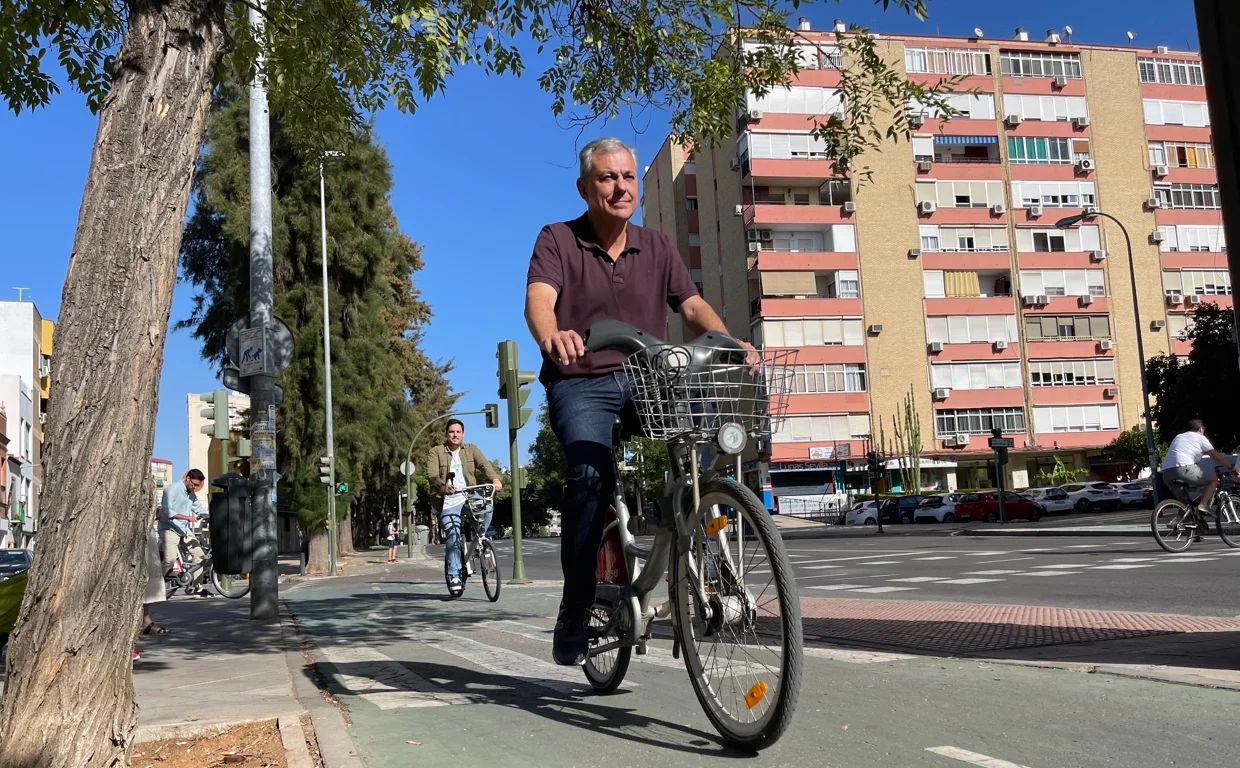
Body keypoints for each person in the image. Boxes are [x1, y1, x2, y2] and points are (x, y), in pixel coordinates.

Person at [524, 137, 740, 666]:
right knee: (588, 478)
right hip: (584, 380)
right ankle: (575, 605)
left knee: (703, 435)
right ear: (585, 187)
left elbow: (690, 306)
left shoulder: (658, 246)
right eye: (607, 177)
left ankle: (702, 530)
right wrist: (552, 336)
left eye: (627, 177)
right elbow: (539, 300)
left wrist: (729, 341)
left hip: (650, 377)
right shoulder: (558, 238)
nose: (621, 187)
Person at [426, 420, 503, 595]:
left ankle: (480, 538)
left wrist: (495, 479)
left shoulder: (472, 450)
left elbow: (485, 465)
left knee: (487, 508)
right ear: (446, 434)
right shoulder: (436, 452)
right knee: (453, 537)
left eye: (458, 431)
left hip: (470, 495)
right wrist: (443, 486)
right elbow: (432, 475)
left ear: (463, 433)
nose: (455, 435)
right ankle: (455, 575)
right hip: (449, 499)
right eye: (451, 432)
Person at [1161, 419, 1237, 514]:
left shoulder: (1179, 436)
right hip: (1183, 468)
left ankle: (1183, 520)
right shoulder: (1200, 438)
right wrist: (1231, 468)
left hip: (1166, 473)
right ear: (1201, 429)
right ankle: (1203, 505)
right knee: (1213, 480)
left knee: (1186, 505)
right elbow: (1215, 456)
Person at [159, 469, 207, 576]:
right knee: (169, 560)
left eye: (197, 485)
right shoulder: (171, 489)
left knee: (200, 556)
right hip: (169, 528)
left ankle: (196, 587)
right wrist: (187, 518)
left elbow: (198, 507)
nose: (195, 487)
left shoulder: (191, 493)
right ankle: (155, 584)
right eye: (194, 484)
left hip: (183, 529)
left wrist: (209, 516)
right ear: (188, 479)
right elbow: (168, 512)